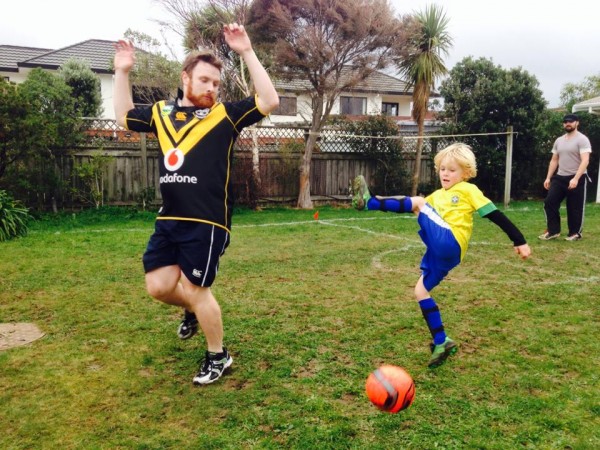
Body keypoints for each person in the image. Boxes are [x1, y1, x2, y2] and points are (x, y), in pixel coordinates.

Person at [113, 23, 279, 385]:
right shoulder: (160, 113)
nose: (212, 89)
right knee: (158, 286)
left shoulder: (226, 115)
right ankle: (191, 312)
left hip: (207, 222)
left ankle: (218, 356)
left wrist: (247, 51)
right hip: (168, 219)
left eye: (217, 84)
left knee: (195, 287)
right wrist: (122, 71)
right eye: (204, 80)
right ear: (185, 77)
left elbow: (269, 101)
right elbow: (123, 115)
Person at [352, 143, 532, 368]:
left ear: (465, 173)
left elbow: (495, 215)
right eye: (442, 169)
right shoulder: (438, 196)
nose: (445, 173)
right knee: (420, 291)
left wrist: (519, 240)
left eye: (452, 170)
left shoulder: (468, 190)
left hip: (451, 242)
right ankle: (442, 341)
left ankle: (370, 202)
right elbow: (411, 204)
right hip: (445, 254)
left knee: (418, 202)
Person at [539, 113, 592, 241]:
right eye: (565, 122)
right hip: (560, 177)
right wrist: (548, 177)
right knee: (549, 202)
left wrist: (576, 178)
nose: (568, 123)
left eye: (571, 121)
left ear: (577, 123)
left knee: (574, 207)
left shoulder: (582, 139)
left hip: (577, 177)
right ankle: (553, 231)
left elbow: (585, 160)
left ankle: (575, 233)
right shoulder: (559, 140)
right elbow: (554, 160)